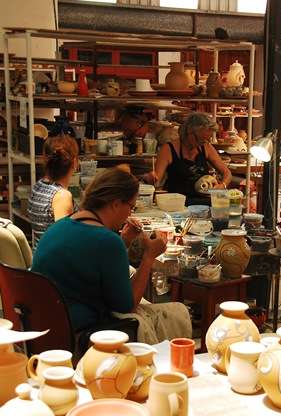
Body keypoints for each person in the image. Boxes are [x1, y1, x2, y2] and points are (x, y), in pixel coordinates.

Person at [31, 167, 192, 348]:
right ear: (116, 204)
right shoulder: (107, 241)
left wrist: (123, 242)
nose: (130, 214)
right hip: (78, 333)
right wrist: (149, 257)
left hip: (44, 324)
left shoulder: (60, 227)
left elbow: (90, 263)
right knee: (178, 312)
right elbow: (127, 305)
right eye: (130, 207)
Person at [143, 112, 232, 205]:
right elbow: (156, 179)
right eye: (200, 139)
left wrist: (223, 185)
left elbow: (227, 173)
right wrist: (149, 178)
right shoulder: (168, 149)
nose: (204, 142)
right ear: (189, 132)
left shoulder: (206, 147)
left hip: (204, 203)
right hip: (178, 203)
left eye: (207, 139)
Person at [28, 121, 79, 249]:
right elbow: (65, 242)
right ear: (75, 162)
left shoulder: (38, 186)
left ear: (46, 160)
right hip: (53, 266)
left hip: (40, 260)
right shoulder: (62, 196)